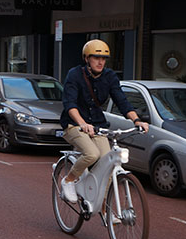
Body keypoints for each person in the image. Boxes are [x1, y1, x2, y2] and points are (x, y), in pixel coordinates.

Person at [59, 39, 149, 203]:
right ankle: (68, 180)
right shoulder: (75, 74)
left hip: (98, 125)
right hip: (74, 125)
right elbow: (69, 104)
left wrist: (137, 120)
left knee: (108, 164)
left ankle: (102, 207)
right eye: (96, 58)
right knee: (92, 154)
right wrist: (82, 123)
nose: (100, 62)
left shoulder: (110, 77)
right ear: (87, 59)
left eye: (104, 59)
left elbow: (122, 101)